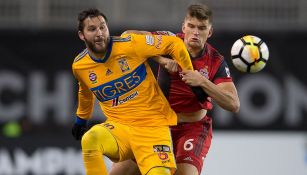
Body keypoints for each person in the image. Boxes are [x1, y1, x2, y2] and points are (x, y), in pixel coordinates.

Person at [109, 3, 240, 175]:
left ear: (209, 32)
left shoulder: (215, 61)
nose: (195, 32)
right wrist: (161, 59)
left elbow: (233, 104)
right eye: (191, 26)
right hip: (157, 123)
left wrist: (202, 81)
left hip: (191, 128)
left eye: (201, 28)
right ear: (183, 27)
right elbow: (127, 37)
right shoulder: (168, 42)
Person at [71, 8, 195, 175]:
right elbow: (85, 92)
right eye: (92, 29)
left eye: (103, 27)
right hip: (119, 127)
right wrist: (81, 120)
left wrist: (191, 74)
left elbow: (174, 43)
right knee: (90, 139)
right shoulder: (80, 66)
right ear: (82, 35)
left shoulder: (130, 44)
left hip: (153, 127)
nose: (100, 33)